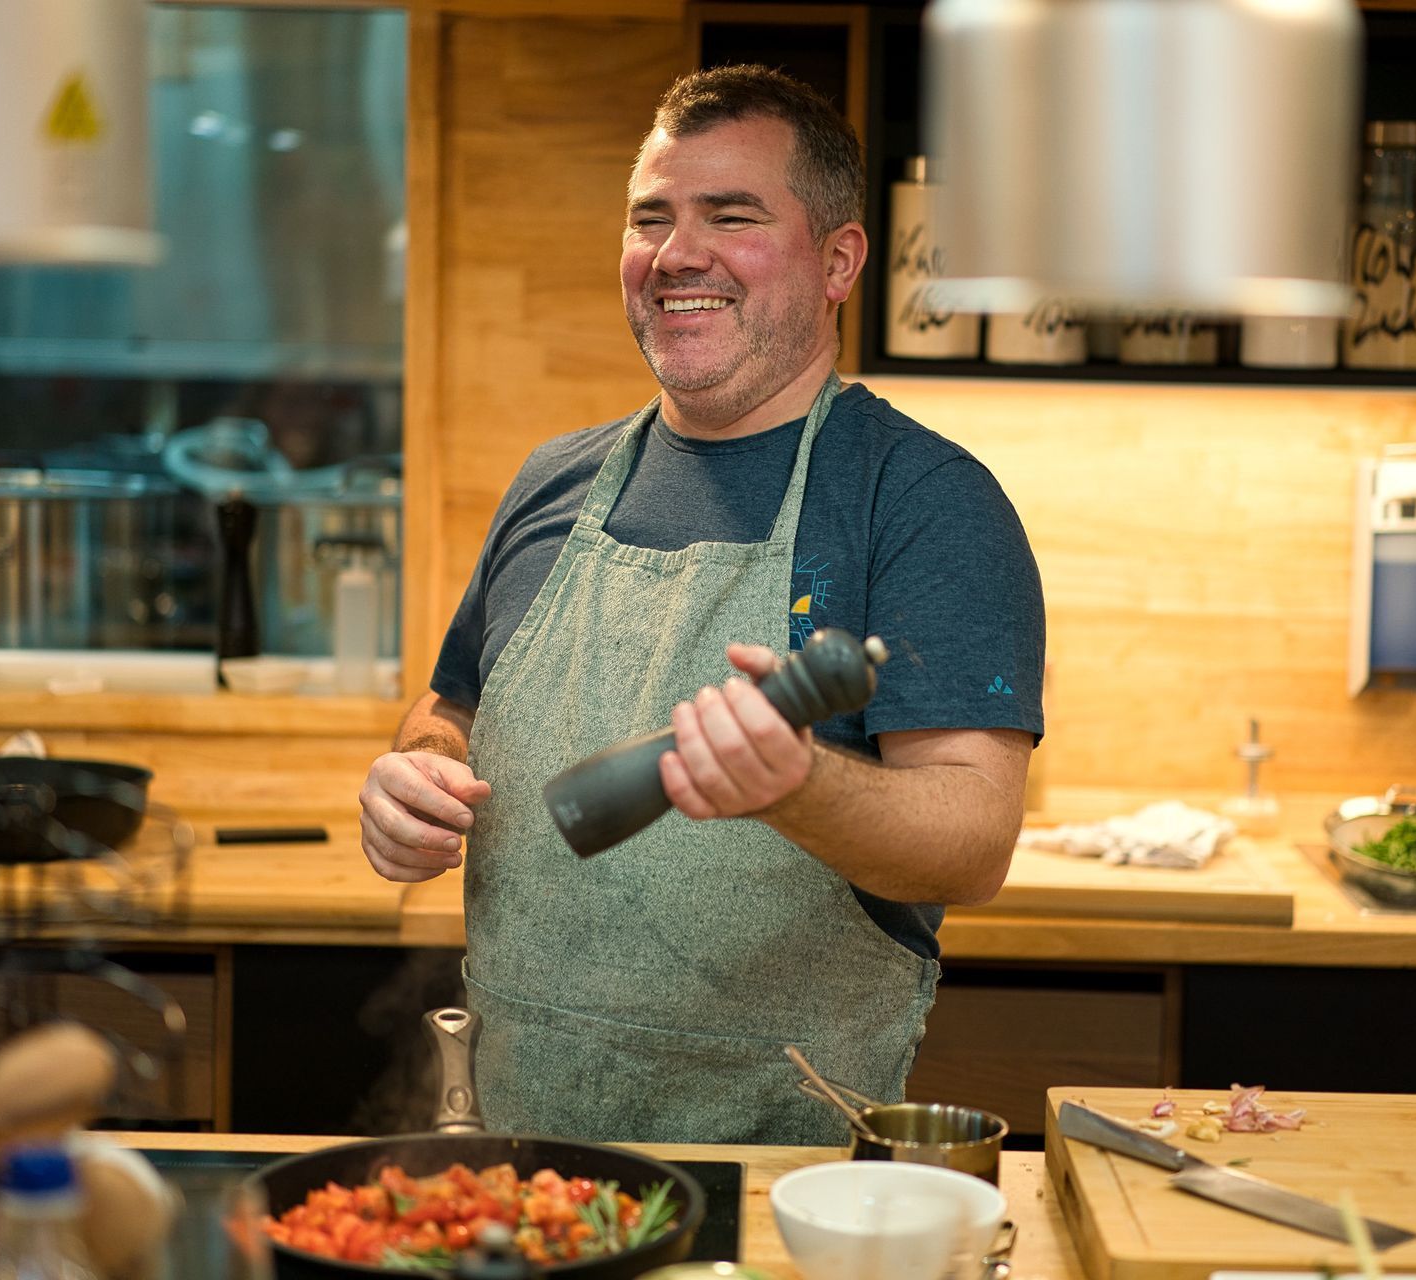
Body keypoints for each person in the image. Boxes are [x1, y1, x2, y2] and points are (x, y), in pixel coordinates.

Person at [358, 65, 1045, 1145]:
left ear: (839, 260)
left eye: (732, 215)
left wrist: (799, 785)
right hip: (524, 1166)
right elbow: (451, 705)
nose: (678, 253)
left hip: (785, 1178)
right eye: (652, 218)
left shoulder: (919, 501)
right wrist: (413, 772)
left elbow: (975, 835)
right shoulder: (554, 481)